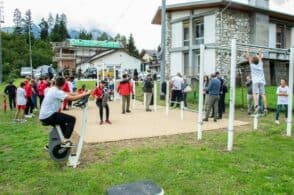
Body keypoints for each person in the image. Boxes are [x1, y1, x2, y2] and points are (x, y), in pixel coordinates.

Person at [39, 77, 91, 147]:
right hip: (49, 116)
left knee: (62, 126)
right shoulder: (57, 92)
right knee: (72, 119)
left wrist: (80, 93)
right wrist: (85, 94)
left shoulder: (53, 89)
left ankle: (50, 145)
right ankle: (65, 141)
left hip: (44, 116)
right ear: (63, 85)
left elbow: (68, 93)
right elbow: (71, 98)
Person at [247, 49, 268, 115]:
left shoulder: (252, 65)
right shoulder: (260, 64)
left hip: (255, 82)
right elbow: (259, 58)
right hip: (261, 81)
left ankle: (256, 106)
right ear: (258, 60)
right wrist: (259, 51)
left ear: (253, 61)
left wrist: (247, 50)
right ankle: (265, 108)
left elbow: (248, 57)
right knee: (263, 95)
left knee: (255, 94)